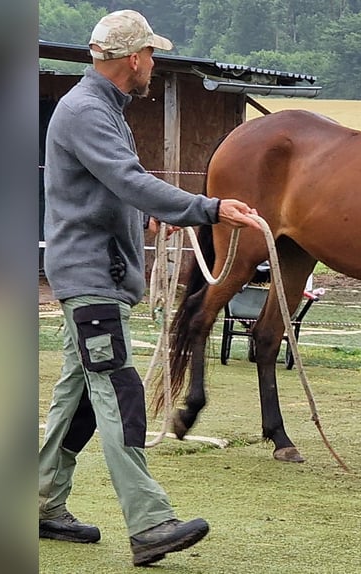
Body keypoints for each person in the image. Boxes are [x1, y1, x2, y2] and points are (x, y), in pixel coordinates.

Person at [38, 10, 261, 567]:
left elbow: (110, 188)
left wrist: (141, 219)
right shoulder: (88, 110)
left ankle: (40, 503)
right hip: (92, 278)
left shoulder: (101, 108)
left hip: (97, 276)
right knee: (119, 393)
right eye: (151, 56)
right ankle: (150, 523)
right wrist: (205, 209)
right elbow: (129, 179)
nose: (154, 65)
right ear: (132, 58)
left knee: (80, 400)